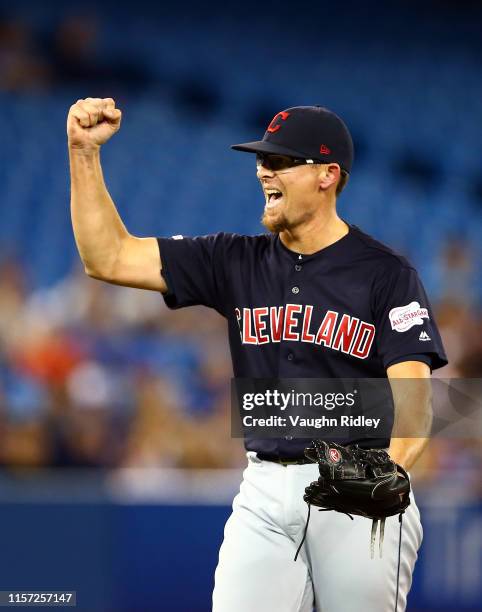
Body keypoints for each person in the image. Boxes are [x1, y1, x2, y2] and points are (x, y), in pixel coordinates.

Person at [67, 99, 448, 612]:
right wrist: (83, 153)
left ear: (327, 175)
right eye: (263, 160)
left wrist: (389, 473)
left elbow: (415, 398)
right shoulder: (235, 260)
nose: (264, 169)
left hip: (360, 488)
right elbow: (107, 256)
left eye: (282, 161)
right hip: (264, 488)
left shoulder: (385, 274)